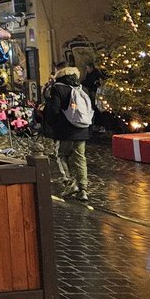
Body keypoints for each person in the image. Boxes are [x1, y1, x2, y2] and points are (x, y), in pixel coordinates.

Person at [43, 66, 92, 201]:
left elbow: (54, 110)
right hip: (82, 129)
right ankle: (83, 190)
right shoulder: (82, 89)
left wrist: (51, 125)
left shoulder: (58, 88)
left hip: (66, 130)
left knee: (61, 155)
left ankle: (70, 182)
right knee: (80, 158)